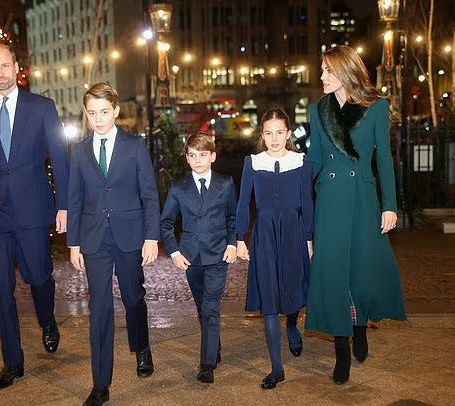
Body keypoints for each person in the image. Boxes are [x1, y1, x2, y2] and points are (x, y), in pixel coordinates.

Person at [0, 43, 69, 390]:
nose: (0, 73)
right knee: (0, 290)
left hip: (32, 208)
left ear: (17, 68)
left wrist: (64, 205)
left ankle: (47, 320)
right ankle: (12, 363)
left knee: (39, 276)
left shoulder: (42, 107)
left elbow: (60, 159)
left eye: (5, 66)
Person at [304, 45, 406, 385]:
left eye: (327, 70)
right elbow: (315, 160)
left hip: (363, 197)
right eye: (322, 69)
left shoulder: (376, 107)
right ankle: (341, 350)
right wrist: (291, 185)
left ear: (346, 71)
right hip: (330, 199)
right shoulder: (319, 110)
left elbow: (384, 159)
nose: (321, 76)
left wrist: (389, 205)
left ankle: (359, 326)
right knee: (332, 271)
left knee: (361, 268)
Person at [67, 83, 160, 406]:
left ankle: (142, 347)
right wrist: (74, 243)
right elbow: (74, 199)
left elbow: (149, 195)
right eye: (92, 113)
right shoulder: (79, 151)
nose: (98, 119)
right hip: (94, 239)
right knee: (99, 309)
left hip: (130, 235)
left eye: (104, 112)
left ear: (116, 111)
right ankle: (100, 384)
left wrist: (151, 237)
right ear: (86, 114)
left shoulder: (135, 146)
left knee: (133, 298)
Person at [236, 108, 314, 390]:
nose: (274, 138)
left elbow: (308, 204)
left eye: (279, 132)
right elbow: (243, 202)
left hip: (294, 232)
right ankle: (277, 368)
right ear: (262, 134)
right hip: (264, 234)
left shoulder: (302, 162)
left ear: (288, 133)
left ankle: (292, 324)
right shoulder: (252, 163)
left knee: (292, 288)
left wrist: (309, 240)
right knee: (269, 297)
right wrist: (239, 238)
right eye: (268, 133)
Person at [160, 131, 237, 384]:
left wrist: (232, 244)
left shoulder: (225, 184)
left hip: (218, 256)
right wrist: (174, 252)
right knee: (202, 308)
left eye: (202, 155)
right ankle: (214, 346)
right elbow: (166, 223)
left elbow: (233, 218)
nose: (197, 160)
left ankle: (206, 365)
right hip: (191, 258)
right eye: (192, 156)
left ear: (212, 156)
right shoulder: (179, 188)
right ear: (187, 158)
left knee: (210, 308)